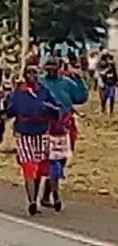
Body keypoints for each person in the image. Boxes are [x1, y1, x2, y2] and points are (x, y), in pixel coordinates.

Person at [6, 65, 60, 215]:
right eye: (29, 73)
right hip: (24, 133)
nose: (32, 75)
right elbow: (10, 111)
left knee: (41, 169)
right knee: (28, 167)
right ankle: (31, 202)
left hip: (41, 132)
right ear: (24, 75)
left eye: (34, 72)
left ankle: (37, 198)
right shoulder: (18, 93)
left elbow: (56, 109)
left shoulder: (43, 91)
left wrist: (50, 109)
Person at [39, 57, 88, 210]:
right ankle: (52, 194)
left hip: (65, 126)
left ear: (60, 67)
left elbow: (81, 97)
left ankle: (49, 191)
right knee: (49, 160)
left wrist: (79, 79)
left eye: (54, 65)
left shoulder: (67, 83)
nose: (51, 69)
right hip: (45, 126)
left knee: (62, 159)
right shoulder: (41, 82)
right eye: (49, 65)